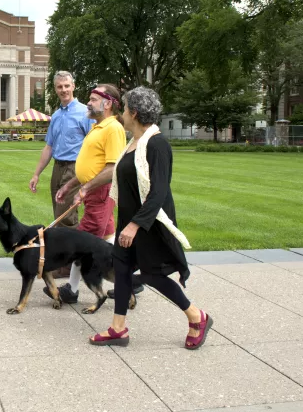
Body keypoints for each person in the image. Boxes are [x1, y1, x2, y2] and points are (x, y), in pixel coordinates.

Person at [89, 87, 212, 349]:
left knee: (154, 275)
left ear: (134, 113)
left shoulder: (157, 145)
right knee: (121, 272)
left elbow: (158, 193)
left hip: (148, 225)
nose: (121, 112)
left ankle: (196, 317)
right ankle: (118, 329)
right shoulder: (131, 143)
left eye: (124, 108)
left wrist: (134, 225)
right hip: (129, 222)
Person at [47, 84, 142, 302]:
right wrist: (70, 186)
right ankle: (128, 281)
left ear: (107, 103)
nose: (88, 103)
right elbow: (90, 165)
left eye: (93, 99)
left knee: (82, 242)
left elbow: (112, 168)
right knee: (108, 238)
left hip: (100, 192)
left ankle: (72, 290)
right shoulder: (97, 126)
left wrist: (86, 188)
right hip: (94, 192)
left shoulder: (113, 129)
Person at [28, 71, 93, 277]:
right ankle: (67, 262)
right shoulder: (56, 116)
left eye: (66, 85)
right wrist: (37, 173)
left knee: (67, 216)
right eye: (59, 87)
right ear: (55, 89)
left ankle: (67, 266)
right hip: (58, 166)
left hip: (75, 167)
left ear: (73, 86)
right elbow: (49, 147)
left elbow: (93, 145)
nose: (63, 90)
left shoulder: (85, 112)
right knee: (58, 214)